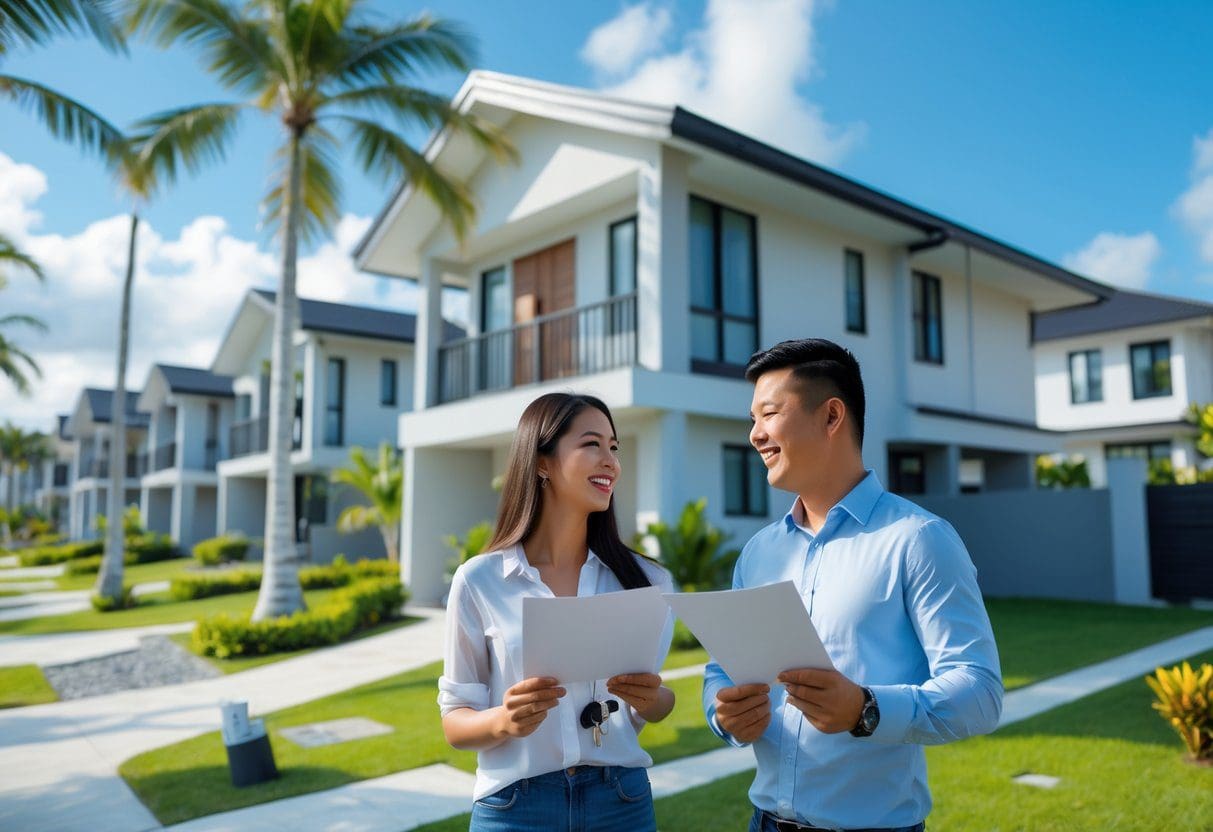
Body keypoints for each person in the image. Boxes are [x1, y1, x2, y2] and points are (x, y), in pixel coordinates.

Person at [703, 338, 1003, 832]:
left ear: (832, 416)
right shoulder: (758, 553)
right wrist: (724, 714)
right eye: (752, 420)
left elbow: (980, 692)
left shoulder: (919, 540)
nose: (755, 435)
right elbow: (721, 669)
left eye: (769, 414)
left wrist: (865, 709)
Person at [440, 392, 675, 832]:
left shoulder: (648, 582)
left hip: (620, 800)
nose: (610, 461)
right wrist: (504, 721)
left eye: (614, 447)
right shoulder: (479, 581)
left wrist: (656, 699)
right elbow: (455, 722)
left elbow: (653, 707)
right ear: (542, 462)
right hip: (514, 807)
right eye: (592, 444)